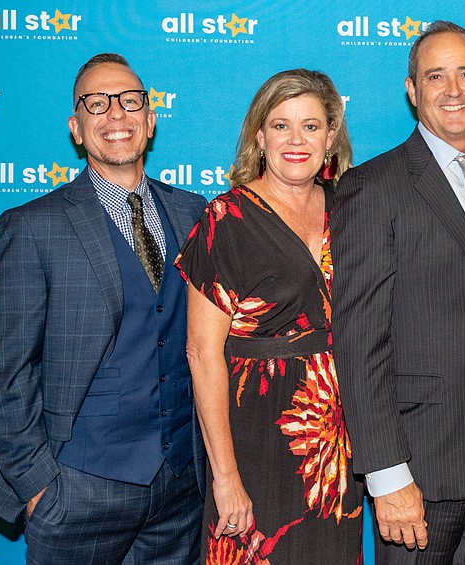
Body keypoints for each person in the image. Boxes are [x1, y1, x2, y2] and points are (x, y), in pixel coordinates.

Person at [0, 53, 207, 563]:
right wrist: (40, 487)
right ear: (76, 128)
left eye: (130, 101)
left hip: (180, 491)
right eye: (96, 103)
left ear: (150, 120)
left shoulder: (196, 213)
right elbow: (7, 372)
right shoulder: (33, 226)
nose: (116, 114)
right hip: (76, 491)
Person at [331, 21, 465, 564]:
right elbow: (358, 341)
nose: (452, 89)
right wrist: (386, 473)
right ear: (411, 89)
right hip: (419, 467)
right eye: (435, 76)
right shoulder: (373, 187)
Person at [176, 69, 363, 564]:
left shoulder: (349, 211)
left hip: (334, 439)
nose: (296, 140)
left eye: (311, 126)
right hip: (253, 434)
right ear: (260, 137)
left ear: (330, 137)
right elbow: (201, 351)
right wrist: (226, 476)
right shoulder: (227, 218)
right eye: (281, 126)